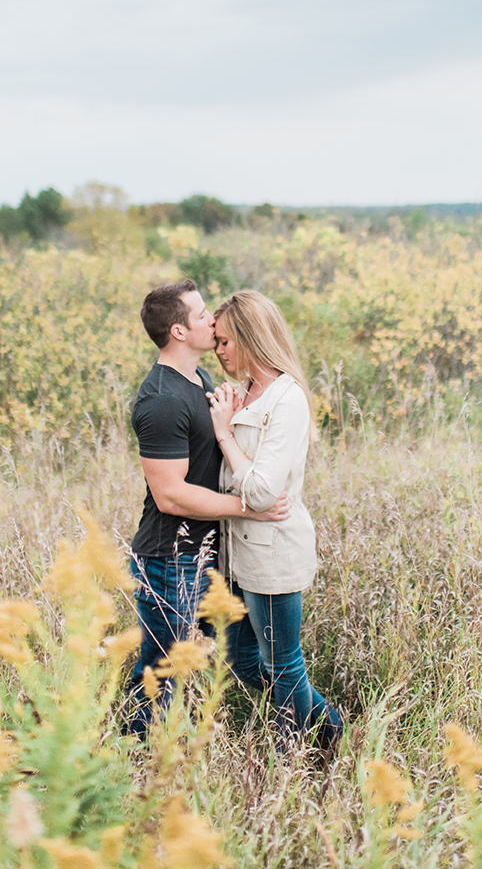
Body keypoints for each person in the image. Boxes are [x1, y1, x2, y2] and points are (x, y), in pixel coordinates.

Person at [125, 279, 290, 735]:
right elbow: (171, 495)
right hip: (169, 559)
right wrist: (248, 508)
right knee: (162, 673)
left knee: (243, 657)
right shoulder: (161, 399)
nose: (213, 321)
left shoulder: (200, 380)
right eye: (201, 315)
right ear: (178, 332)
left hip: (211, 554)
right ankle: (137, 761)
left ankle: (308, 727)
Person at [208, 289, 343, 747]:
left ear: (249, 337)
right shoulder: (242, 392)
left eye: (225, 341)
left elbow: (265, 490)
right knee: (243, 660)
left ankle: (291, 756)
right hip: (235, 552)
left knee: (282, 663)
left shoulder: (287, 399)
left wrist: (225, 433)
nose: (219, 351)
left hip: (272, 554)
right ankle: (328, 724)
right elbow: (245, 486)